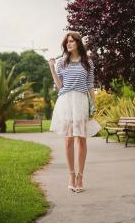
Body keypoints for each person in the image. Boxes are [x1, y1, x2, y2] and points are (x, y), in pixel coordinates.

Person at [48, 31, 95, 193]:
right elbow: (60, 86)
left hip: (81, 101)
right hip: (66, 101)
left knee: (81, 140)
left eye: (72, 41)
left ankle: (80, 177)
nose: (68, 44)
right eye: (67, 42)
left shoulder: (87, 63)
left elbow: (90, 85)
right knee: (68, 140)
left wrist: (93, 104)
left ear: (78, 43)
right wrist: (52, 69)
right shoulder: (61, 62)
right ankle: (71, 175)